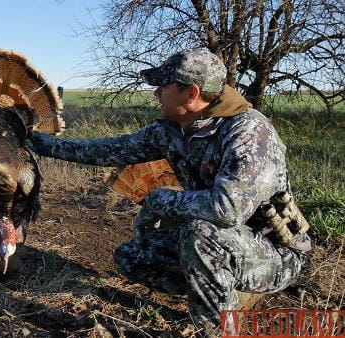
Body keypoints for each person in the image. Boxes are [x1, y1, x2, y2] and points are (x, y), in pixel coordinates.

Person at [28, 48, 311, 334]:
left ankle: (218, 330)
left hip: (275, 252)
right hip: (220, 239)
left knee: (200, 237)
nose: (156, 93)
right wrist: (37, 142)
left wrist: (160, 200)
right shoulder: (174, 129)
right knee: (131, 257)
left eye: (163, 85)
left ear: (192, 93)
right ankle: (225, 291)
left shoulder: (249, 133)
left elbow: (226, 209)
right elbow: (109, 150)